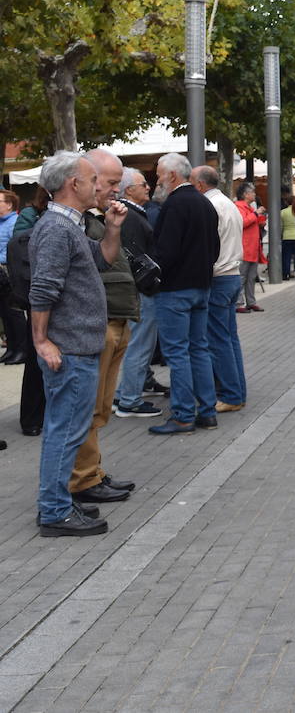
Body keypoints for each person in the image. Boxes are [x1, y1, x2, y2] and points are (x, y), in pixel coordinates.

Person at [30, 151, 127, 535]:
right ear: (74, 184)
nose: (98, 187)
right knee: (65, 431)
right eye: (92, 180)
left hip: (77, 346)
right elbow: (43, 289)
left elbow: (103, 259)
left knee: (68, 430)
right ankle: (54, 512)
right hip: (68, 348)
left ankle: (58, 505)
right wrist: (41, 340)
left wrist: (114, 227)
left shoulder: (71, 225)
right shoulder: (57, 227)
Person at [69, 149, 141, 502]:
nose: (117, 189)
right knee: (88, 408)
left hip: (114, 319)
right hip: (96, 326)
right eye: (112, 182)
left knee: (99, 408)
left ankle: (92, 472)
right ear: (89, 179)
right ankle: (83, 479)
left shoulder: (93, 217)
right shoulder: (72, 222)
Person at [148, 154, 219, 435]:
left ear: (172, 176)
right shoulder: (205, 203)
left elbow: (166, 252)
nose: (157, 180)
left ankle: (183, 415)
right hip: (201, 286)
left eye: (159, 175)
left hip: (175, 289)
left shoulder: (174, 205)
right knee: (199, 349)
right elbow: (214, 247)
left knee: (178, 353)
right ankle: (207, 411)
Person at [192, 166, 246, 418]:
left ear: (201, 185)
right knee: (229, 338)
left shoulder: (210, 206)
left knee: (218, 339)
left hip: (220, 277)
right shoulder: (227, 202)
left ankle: (231, 395)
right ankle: (237, 391)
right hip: (232, 274)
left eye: (191, 183)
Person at [112, 167, 162, 418]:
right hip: (142, 291)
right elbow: (134, 257)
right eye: (143, 184)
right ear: (129, 189)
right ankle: (129, 400)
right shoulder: (129, 215)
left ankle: (124, 394)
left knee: (137, 345)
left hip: (137, 290)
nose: (148, 187)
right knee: (140, 346)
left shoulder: (130, 214)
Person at [13, 186, 50, 435]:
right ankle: (31, 418)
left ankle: (37, 416)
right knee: (36, 361)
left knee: (40, 362)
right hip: (36, 298)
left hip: (39, 297)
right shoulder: (32, 218)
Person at [0, 189, 25, 365]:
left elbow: (13, 250)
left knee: (14, 312)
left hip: (8, 272)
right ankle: (12, 348)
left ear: (9, 204)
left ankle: (22, 349)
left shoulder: (14, 222)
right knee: (4, 312)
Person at [235, 181, 266, 313]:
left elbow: (254, 222)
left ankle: (251, 301)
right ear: (245, 194)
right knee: (242, 277)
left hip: (253, 248)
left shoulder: (249, 208)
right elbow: (242, 223)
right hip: (244, 248)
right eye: (252, 192)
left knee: (251, 277)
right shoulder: (238, 207)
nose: (254, 194)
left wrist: (260, 219)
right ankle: (239, 303)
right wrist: (255, 214)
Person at [280, 191, 295, 279]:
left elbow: (281, 226)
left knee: (286, 257)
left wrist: (281, 235)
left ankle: (286, 274)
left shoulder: (283, 212)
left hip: (286, 236)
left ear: (286, 202)